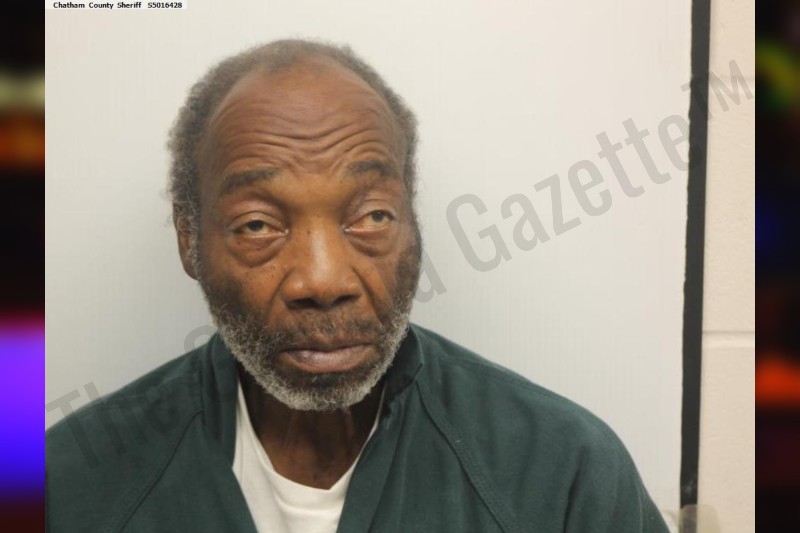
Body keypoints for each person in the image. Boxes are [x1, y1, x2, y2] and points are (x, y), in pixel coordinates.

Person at [46, 39, 670, 532]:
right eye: (258, 224)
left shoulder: (563, 473)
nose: (324, 280)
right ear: (190, 240)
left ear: (412, 223)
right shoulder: (68, 485)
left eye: (371, 217)